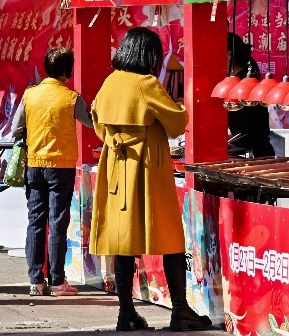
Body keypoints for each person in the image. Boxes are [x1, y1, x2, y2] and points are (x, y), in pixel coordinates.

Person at [90, 27, 212, 332]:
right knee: (171, 238)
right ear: (149, 55)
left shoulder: (110, 81)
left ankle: (126, 313)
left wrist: (115, 138)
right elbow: (177, 123)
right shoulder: (146, 84)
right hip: (146, 170)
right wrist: (179, 107)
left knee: (124, 242)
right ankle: (180, 310)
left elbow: (95, 118)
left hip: (116, 168)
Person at [9, 47, 92, 297]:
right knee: (58, 221)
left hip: (35, 164)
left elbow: (15, 129)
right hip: (61, 166)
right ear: (68, 70)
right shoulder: (71, 97)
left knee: (35, 220)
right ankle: (57, 279)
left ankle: (36, 280)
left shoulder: (30, 95)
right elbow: (90, 122)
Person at [226, 33, 274, 158]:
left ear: (228, 55)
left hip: (252, 156)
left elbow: (242, 129)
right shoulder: (242, 80)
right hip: (256, 152)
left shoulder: (241, 84)